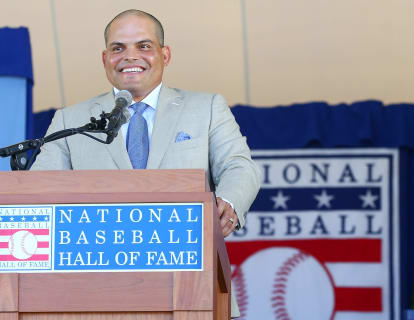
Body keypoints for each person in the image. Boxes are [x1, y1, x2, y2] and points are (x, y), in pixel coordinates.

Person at [31, 10, 260, 316]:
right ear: (104, 59)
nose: (130, 56)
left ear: (165, 54)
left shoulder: (205, 108)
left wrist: (228, 201)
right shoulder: (71, 120)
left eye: (143, 46)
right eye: (118, 48)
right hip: (93, 294)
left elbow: (239, 166)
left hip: (190, 287)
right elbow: (38, 193)